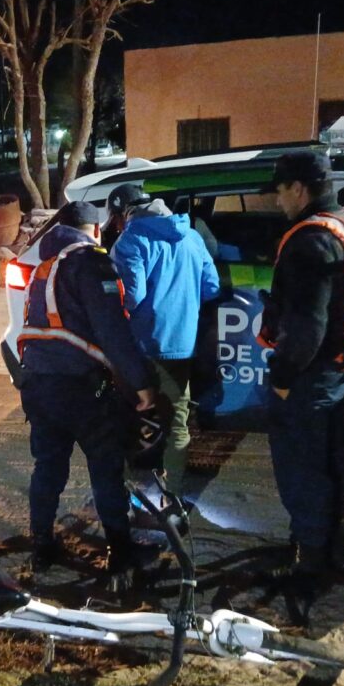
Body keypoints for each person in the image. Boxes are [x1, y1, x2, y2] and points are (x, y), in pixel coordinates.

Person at [17, 200, 158, 578]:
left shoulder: (45, 265)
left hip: (38, 384)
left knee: (48, 467)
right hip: (80, 387)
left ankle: (42, 545)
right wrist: (141, 383)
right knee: (105, 467)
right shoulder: (91, 263)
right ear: (95, 230)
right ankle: (121, 551)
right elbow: (112, 330)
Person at [258, 151, 344, 580]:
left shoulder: (309, 242)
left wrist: (283, 379)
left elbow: (307, 328)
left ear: (298, 188)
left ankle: (307, 564)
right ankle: (325, 544)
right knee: (327, 459)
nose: (277, 201)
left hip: (310, 376)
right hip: (342, 367)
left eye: (279, 191)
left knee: (301, 468)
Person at [109, 185, 220, 499]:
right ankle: (173, 495)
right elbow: (211, 287)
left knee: (124, 417)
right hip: (181, 346)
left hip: (139, 347)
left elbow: (132, 296)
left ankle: (122, 492)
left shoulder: (131, 240)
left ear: (125, 213)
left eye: (116, 220)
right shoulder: (192, 237)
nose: (116, 227)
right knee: (177, 424)